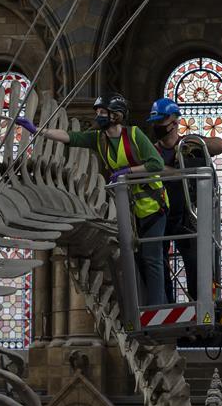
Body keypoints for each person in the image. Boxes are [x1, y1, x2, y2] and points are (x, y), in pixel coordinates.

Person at [16, 94, 170, 305]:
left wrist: (128, 171)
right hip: (130, 207)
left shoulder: (134, 135)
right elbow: (70, 137)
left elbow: (156, 164)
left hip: (153, 205)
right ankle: (143, 305)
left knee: (152, 258)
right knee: (136, 258)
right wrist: (38, 131)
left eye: (102, 112)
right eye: (97, 112)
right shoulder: (99, 138)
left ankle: (157, 307)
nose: (98, 116)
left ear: (116, 115)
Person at [147, 98, 222, 303]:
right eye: (155, 122)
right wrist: (176, 172)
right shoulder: (151, 150)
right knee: (159, 261)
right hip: (160, 214)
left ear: (174, 122)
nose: (157, 126)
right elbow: (153, 168)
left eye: (161, 121)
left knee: (196, 260)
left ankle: (199, 302)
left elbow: (219, 145)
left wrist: (191, 143)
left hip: (186, 215)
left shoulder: (189, 144)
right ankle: (166, 304)